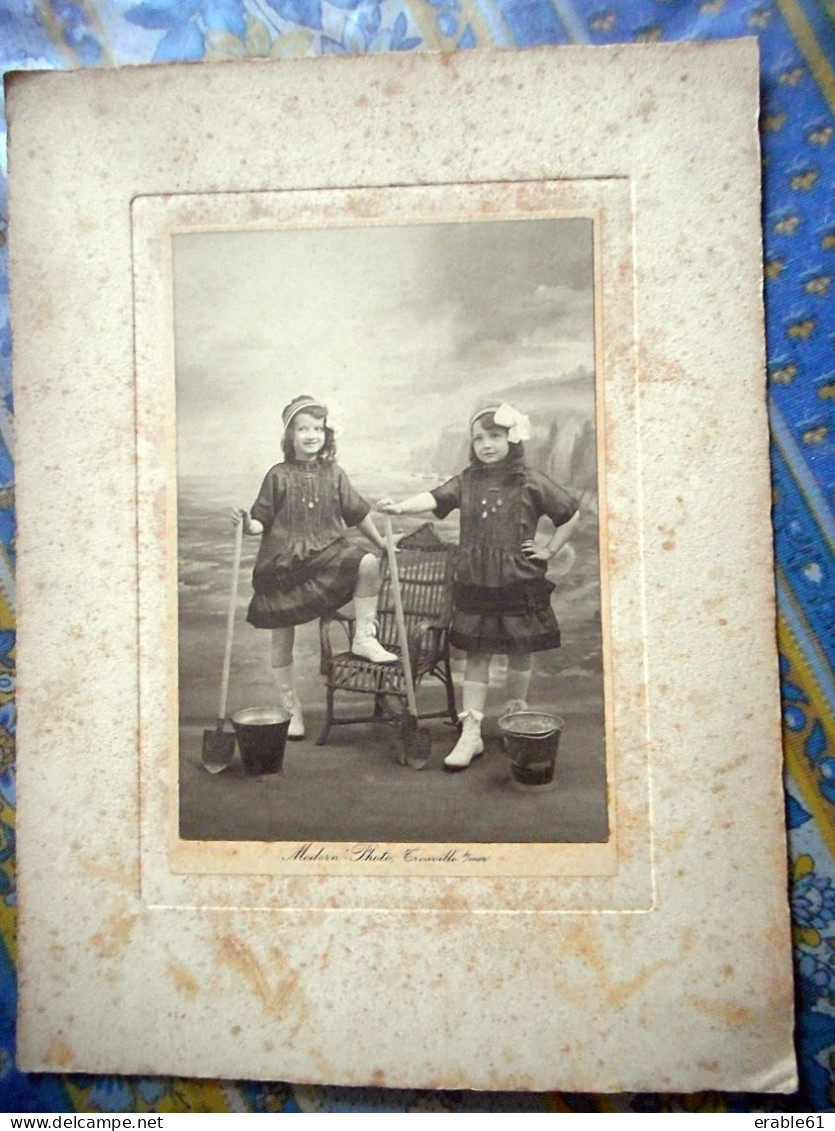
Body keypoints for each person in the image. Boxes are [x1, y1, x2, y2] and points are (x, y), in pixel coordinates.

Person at [378, 403, 579, 771]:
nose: (486, 444)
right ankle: (471, 732)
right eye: (479, 438)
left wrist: (549, 549)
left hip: (519, 578)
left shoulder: (530, 479)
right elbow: (436, 498)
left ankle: (515, 720)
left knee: (521, 650)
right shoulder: (467, 480)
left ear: (511, 439)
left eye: (495, 436)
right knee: (478, 654)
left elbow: (570, 512)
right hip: (476, 579)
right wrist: (401, 508)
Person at [235, 395, 396, 741]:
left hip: (326, 554)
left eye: (318, 428)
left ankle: (365, 638)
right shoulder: (277, 475)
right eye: (303, 428)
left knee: (366, 562)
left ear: (326, 433)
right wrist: (248, 526)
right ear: (290, 435)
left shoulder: (335, 474)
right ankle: (290, 707)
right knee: (283, 634)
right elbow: (261, 521)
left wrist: (382, 544)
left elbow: (357, 513)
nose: (311, 435)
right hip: (284, 565)